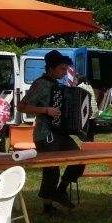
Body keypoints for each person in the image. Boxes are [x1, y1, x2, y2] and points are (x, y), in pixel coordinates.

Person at [17, 50, 84, 214]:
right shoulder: (40, 84)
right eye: (61, 69)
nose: (64, 72)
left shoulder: (59, 86)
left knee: (79, 159)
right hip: (45, 133)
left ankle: (60, 189)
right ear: (51, 68)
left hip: (61, 132)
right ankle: (47, 207)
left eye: (65, 69)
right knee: (51, 170)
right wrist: (46, 110)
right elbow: (22, 107)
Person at [76, 74, 99, 142]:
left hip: (88, 110)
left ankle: (86, 143)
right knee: (91, 129)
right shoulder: (89, 86)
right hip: (94, 110)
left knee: (85, 129)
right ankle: (91, 142)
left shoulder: (80, 86)